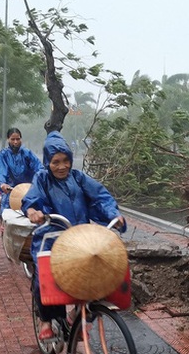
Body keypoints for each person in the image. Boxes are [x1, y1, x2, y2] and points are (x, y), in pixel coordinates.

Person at [22, 130, 125, 339]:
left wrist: (114, 214)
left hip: (81, 238)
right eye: (56, 162)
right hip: (52, 236)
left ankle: (77, 314)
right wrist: (33, 212)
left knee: (100, 270)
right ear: (47, 162)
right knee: (45, 275)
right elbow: (31, 199)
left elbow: (100, 198)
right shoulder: (42, 179)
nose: (62, 166)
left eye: (66, 160)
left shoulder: (79, 178)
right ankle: (46, 320)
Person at [0, 128, 42, 212]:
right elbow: (1, 171)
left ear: (21, 139)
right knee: (5, 213)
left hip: (28, 191)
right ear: (8, 139)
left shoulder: (27, 153)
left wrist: (41, 180)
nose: (15, 142)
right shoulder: (3, 155)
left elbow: (39, 168)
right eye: (12, 139)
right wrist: (2, 184)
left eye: (18, 139)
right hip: (11, 191)